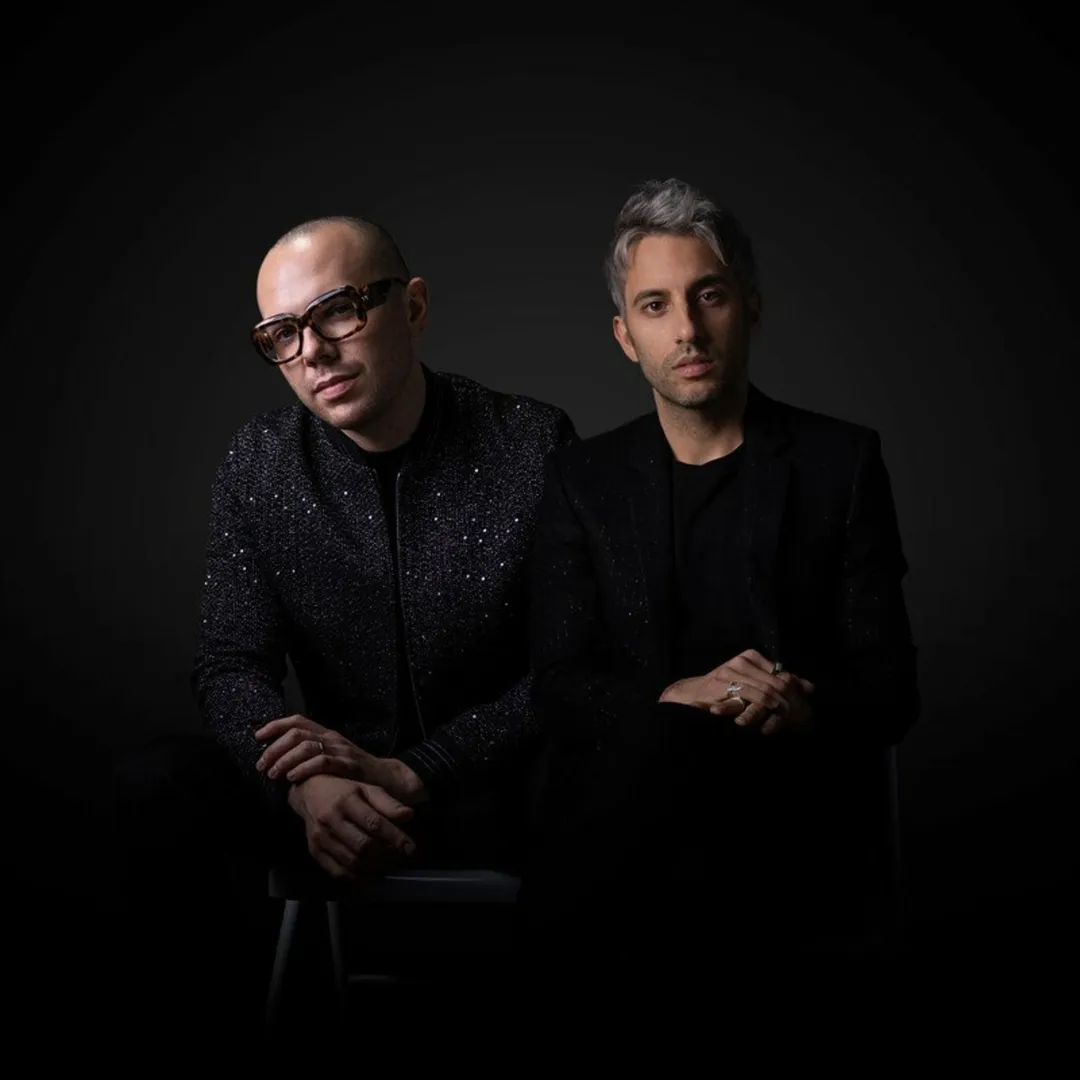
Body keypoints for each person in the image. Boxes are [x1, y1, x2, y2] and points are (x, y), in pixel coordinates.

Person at [112, 214, 575, 1027]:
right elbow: (230, 664)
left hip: (492, 788)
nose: (313, 353)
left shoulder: (530, 442)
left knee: (621, 764)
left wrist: (421, 769)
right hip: (328, 800)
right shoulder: (261, 462)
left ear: (414, 307)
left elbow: (571, 663)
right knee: (155, 784)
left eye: (336, 311)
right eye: (281, 334)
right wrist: (303, 785)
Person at [519, 178, 920, 986]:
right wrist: (679, 696)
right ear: (625, 335)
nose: (688, 330)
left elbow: (890, 690)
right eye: (656, 306)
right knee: (660, 757)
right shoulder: (581, 480)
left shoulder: (840, 464)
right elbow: (557, 686)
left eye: (709, 295)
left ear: (751, 308)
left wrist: (800, 705)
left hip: (786, 811)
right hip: (631, 818)